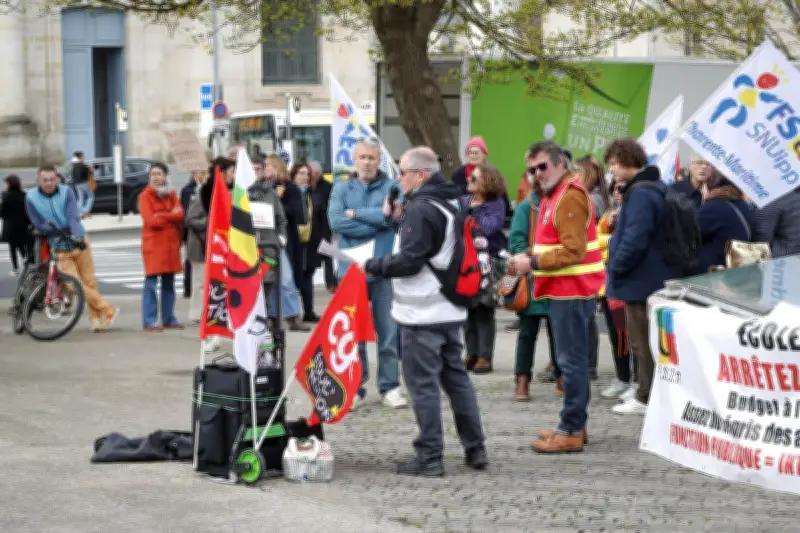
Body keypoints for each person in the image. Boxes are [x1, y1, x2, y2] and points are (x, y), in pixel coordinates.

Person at [363, 146, 488, 476]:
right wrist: (397, 221)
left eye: (402, 173)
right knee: (458, 383)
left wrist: (372, 265)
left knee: (423, 387)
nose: (398, 179)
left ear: (420, 174)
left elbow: (410, 260)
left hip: (423, 314)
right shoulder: (449, 200)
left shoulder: (421, 208)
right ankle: (476, 449)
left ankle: (430, 456)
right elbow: (431, 244)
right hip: (450, 309)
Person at [507, 141, 605, 454]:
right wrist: (530, 255)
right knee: (570, 360)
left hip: (572, 290)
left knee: (571, 361)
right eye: (532, 169)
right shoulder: (555, 195)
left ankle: (571, 429)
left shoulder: (569, 196)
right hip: (566, 290)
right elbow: (558, 244)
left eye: (542, 167)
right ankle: (575, 423)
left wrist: (531, 262)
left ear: (560, 163)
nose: (537, 174)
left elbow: (573, 250)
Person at [328, 136, 407, 409]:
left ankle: (390, 387)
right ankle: (354, 387)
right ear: (354, 159)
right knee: (353, 334)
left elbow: (395, 217)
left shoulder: (392, 187)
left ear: (379, 160)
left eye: (371, 157)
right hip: (350, 272)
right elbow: (336, 221)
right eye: (362, 157)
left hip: (384, 268)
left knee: (388, 332)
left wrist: (356, 214)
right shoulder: (340, 188)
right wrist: (377, 219)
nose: (366, 162)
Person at [603, 138, 673, 415]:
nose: (612, 170)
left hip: (640, 279)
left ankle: (646, 397)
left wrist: (616, 266)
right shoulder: (651, 187)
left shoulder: (641, 193)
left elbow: (635, 237)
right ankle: (645, 390)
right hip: (646, 276)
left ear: (627, 161)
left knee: (642, 341)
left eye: (614, 164)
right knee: (644, 340)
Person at [25, 165, 118, 332]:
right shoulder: (31, 198)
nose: (49, 183)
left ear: (57, 179)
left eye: (52, 179)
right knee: (73, 285)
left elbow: (72, 216)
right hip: (59, 247)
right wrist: (54, 231)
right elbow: (37, 222)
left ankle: (95, 318)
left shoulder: (66, 191)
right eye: (45, 180)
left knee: (89, 282)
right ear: (38, 180)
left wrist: (77, 237)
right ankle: (107, 308)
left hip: (79, 242)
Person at [508, 153, 555, 402]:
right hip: (533, 280)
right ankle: (522, 380)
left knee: (558, 334)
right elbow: (515, 241)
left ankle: (562, 377)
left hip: (558, 280)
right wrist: (535, 253)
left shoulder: (561, 204)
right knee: (527, 334)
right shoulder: (527, 207)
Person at [461, 162, 508, 374]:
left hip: (489, 261)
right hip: (467, 261)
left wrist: (475, 210)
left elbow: (489, 228)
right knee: (468, 309)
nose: (468, 181)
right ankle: (470, 352)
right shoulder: (463, 201)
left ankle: (485, 356)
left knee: (484, 309)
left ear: (485, 182)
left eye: (473, 179)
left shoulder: (495, 203)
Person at [264, 155, 310, 332]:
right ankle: (272, 316)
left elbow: (300, 216)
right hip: (266, 239)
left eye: (268, 165)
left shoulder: (290, 189)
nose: (265, 168)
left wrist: (280, 201)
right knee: (269, 279)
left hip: (283, 240)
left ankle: (292, 316)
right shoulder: (262, 187)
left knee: (286, 279)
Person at [138, 162, 185, 331]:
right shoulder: (145, 195)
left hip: (171, 245)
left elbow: (180, 214)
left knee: (168, 282)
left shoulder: (171, 193)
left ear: (165, 176)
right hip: (154, 245)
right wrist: (170, 215)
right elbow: (151, 221)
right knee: (151, 282)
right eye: (153, 174)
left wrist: (162, 215)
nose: (156, 177)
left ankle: (168, 318)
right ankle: (149, 320)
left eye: (159, 174)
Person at [694, 170, 755, 274]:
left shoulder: (713, 207)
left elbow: (691, 232)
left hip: (715, 269)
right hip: (737, 266)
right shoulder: (741, 203)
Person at [289, 162, 319, 321]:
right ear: (293, 174)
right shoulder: (289, 192)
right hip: (293, 241)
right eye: (300, 173)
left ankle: (308, 310)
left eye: (306, 174)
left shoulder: (310, 193)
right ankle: (293, 313)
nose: (304, 177)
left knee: (308, 276)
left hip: (310, 241)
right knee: (294, 277)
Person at [308, 160, 336, 293]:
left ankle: (331, 282)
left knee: (327, 256)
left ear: (318, 174)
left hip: (324, 226)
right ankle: (306, 281)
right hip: (311, 227)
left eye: (311, 173)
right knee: (311, 257)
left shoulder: (328, 187)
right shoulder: (307, 186)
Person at [180, 170, 205, 299]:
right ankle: (187, 288)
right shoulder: (188, 190)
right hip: (193, 234)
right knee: (192, 264)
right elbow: (185, 213)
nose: (201, 176)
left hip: (205, 236)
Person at [1, 174, 33, 276]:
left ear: (9, 185)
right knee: (21, 245)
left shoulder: (6, 196)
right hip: (22, 225)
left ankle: (15, 268)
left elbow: (1, 212)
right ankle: (26, 261)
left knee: (12, 247)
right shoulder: (24, 195)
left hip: (10, 226)